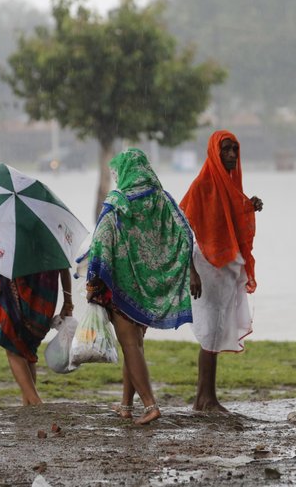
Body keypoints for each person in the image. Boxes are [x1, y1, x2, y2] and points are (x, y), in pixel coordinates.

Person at [83, 148, 201, 425]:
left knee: (130, 346)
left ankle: (150, 406)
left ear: (124, 172)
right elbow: (185, 233)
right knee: (134, 346)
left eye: (116, 172)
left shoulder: (118, 201)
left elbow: (100, 240)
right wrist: (189, 271)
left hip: (121, 286)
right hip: (148, 289)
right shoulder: (161, 199)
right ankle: (125, 405)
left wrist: (93, 277)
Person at [180, 130, 262, 411]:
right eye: (225, 150)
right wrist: (191, 272)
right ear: (215, 153)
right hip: (206, 269)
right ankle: (204, 399)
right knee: (211, 332)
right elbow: (183, 230)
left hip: (226, 269)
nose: (230, 155)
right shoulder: (201, 185)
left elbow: (230, 219)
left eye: (234, 150)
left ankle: (205, 397)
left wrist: (250, 206)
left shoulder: (231, 185)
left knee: (216, 329)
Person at [0, 269, 73, 405]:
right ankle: (28, 405)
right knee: (26, 350)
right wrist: (68, 302)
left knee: (13, 346)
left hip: (16, 286)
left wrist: (68, 303)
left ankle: (36, 402)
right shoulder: (55, 247)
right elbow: (64, 265)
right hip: (43, 293)